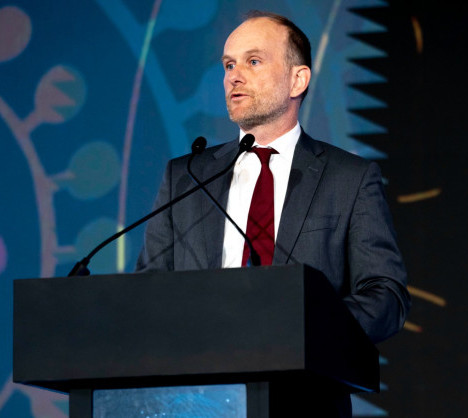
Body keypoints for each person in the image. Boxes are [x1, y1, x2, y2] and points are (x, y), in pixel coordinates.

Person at [136, 10, 410, 417]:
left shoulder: (349, 178)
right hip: (195, 400)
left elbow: (385, 295)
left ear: (298, 80)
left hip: (305, 399)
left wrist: (305, 326)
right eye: (229, 65)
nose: (234, 76)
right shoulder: (186, 177)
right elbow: (149, 293)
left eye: (253, 61)